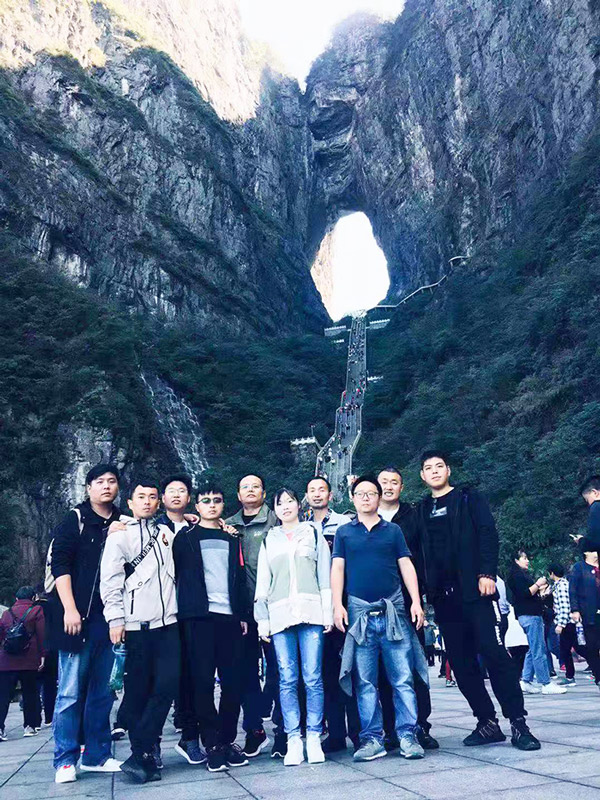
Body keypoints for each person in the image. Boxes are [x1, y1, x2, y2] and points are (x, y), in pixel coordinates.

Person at [415, 451, 540, 751]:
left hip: (477, 592)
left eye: (439, 466)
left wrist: (486, 573)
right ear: (422, 476)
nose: (434, 471)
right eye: (428, 468)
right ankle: (486, 722)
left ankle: (518, 723)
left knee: (495, 655)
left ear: (448, 470)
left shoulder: (468, 498)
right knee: (461, 664)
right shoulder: (421, 510)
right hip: (443, 599)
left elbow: (488, 534)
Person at [333, 475, 428, 763]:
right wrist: (337, 605)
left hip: (393, 612)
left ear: (378, 497)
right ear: (353, 499)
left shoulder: (393, 530)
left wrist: (416, 602)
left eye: (371, 493)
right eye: (360, 493)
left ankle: (408, 735)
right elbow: (338, 569)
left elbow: (406, 565)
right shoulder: (344, 532)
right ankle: (372, 738)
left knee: (402, 678)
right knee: (365, 681)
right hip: (359, 613)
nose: (366, 498)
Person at [100, 478, 179, 784]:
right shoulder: (119, 536)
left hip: (168, 624)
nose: (147, 501)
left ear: (159, 503)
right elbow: (110, 580)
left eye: (152, 497)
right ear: (131, 503)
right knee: (137, 692)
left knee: (167, 686)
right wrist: (115, 620)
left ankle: (141, 749)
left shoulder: (166, 534)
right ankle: (142, 754)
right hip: (136, 627)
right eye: (141, 497)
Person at [49, 463, 124, 784]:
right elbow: (60, 564)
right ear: (89, 487)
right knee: (69, 693)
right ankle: (65, 759)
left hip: (109, 621)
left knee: (103, 693)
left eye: (112, 481)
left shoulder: (123, 521)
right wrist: (69, 608)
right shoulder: (75, 519)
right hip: (76, 620)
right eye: (99, 481)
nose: (106, 486)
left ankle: (97, 755)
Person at [173, 481, 250, 772]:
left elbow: (239, 578)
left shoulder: (232, 538)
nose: (212, 505)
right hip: (198, 618)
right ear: (197, 506)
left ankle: (227, 740)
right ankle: (212, 744)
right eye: (206, 501)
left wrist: (242, 614)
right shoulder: (185, 539)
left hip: (229, 618)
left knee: (233, 683)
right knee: (202, 684)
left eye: (217, 500)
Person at [254, 488, 332, 766]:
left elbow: (324, 575)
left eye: (290, 501)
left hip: (312, 613)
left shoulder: (313, 533)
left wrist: (327, 613)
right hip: (279, 614)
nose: (286, 506)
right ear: (274, 509)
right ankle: (293, 739)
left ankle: (314, 736)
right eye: (280, 503)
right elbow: (263, 582)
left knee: (313, 678)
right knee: (287, 679)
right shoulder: (269, 539)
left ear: (299, 505)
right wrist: (262, 620)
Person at [377, 467, 438, 751]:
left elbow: (425, 555)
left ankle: (420, 725)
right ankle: (391, 728)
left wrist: (421, 596)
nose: (388, 487)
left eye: (394, 482)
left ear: (401, 487)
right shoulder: (365, 518)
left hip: (408, 600)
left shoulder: (413, 517)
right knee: (383, 669)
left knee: (414, 665)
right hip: (376, 603)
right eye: (383, 482)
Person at [225, 475, 282, 758]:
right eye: (245, 487)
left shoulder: (276, 521)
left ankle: (283, 730)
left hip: (274, 607)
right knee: (246, 671)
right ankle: (254, 730)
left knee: (279, 670)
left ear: (264, 493)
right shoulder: (227, 525)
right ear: (238, 494)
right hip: (241, 611)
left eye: (255, 486)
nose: (250, 490)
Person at [304, 476, 359, 753]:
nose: (317, 494)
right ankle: (335, 733)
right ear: (306, 496)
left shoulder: (345, 523)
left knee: (352, 668)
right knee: (325, 671)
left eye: (321, 489)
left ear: (330, 494)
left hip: (344, 603)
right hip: (314, 607)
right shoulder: (300, 528)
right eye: (312, 490)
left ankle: (359, 732)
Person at [506, 550, 565, 695]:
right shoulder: (516, 575)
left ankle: (526, 680)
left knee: (533, 649)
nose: (527, 561)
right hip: (530, 615)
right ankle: (545, 682)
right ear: (516, 560)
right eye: (524, 558)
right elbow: (525, 593)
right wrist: (538, 584)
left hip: (530, 614)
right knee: (539, 649)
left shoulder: (519, 574)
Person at [0, 586, 44, 738]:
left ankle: (0, 728)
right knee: (30, 693)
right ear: (33, 598)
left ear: (16, 598)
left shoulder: (6, 613)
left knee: (3, 695)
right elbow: (42, 634)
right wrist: (43, 655)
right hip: (29, 659)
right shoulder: (36, 610)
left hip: (6, 661)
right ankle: (30, 726)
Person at [569, 546, 600, 688]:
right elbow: (572, 590)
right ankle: (598, 676)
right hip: (589, 613)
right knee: (592, 646)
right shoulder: (579, 568)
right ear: (586, 552)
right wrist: (575, 609)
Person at [549, 563, 581, 686]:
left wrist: (560, 624)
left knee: (567, 650)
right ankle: (570, 676)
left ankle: (570, 677)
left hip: (567, 623)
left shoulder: (561, 586)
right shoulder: (560, 585)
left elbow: (564, 607)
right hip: (568, 622)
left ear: (552, 573)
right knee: (572, 649)